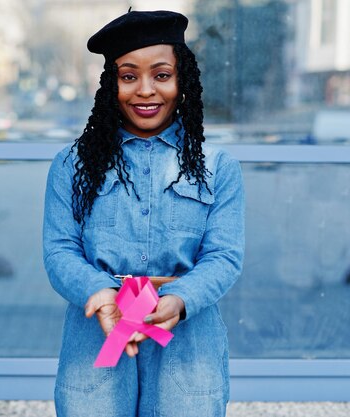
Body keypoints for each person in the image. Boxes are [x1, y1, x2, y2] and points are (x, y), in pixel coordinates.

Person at [43, 10, 244, 417]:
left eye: (162, 75)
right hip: (98, 333)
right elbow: (59, 250)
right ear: (110, 85)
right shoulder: (71, 166)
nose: (146, 91)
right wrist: (100, 294)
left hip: (186, 340)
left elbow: (224, 257)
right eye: (129, 75)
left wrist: (180, 299)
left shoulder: (218, 167)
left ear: (181, 81)